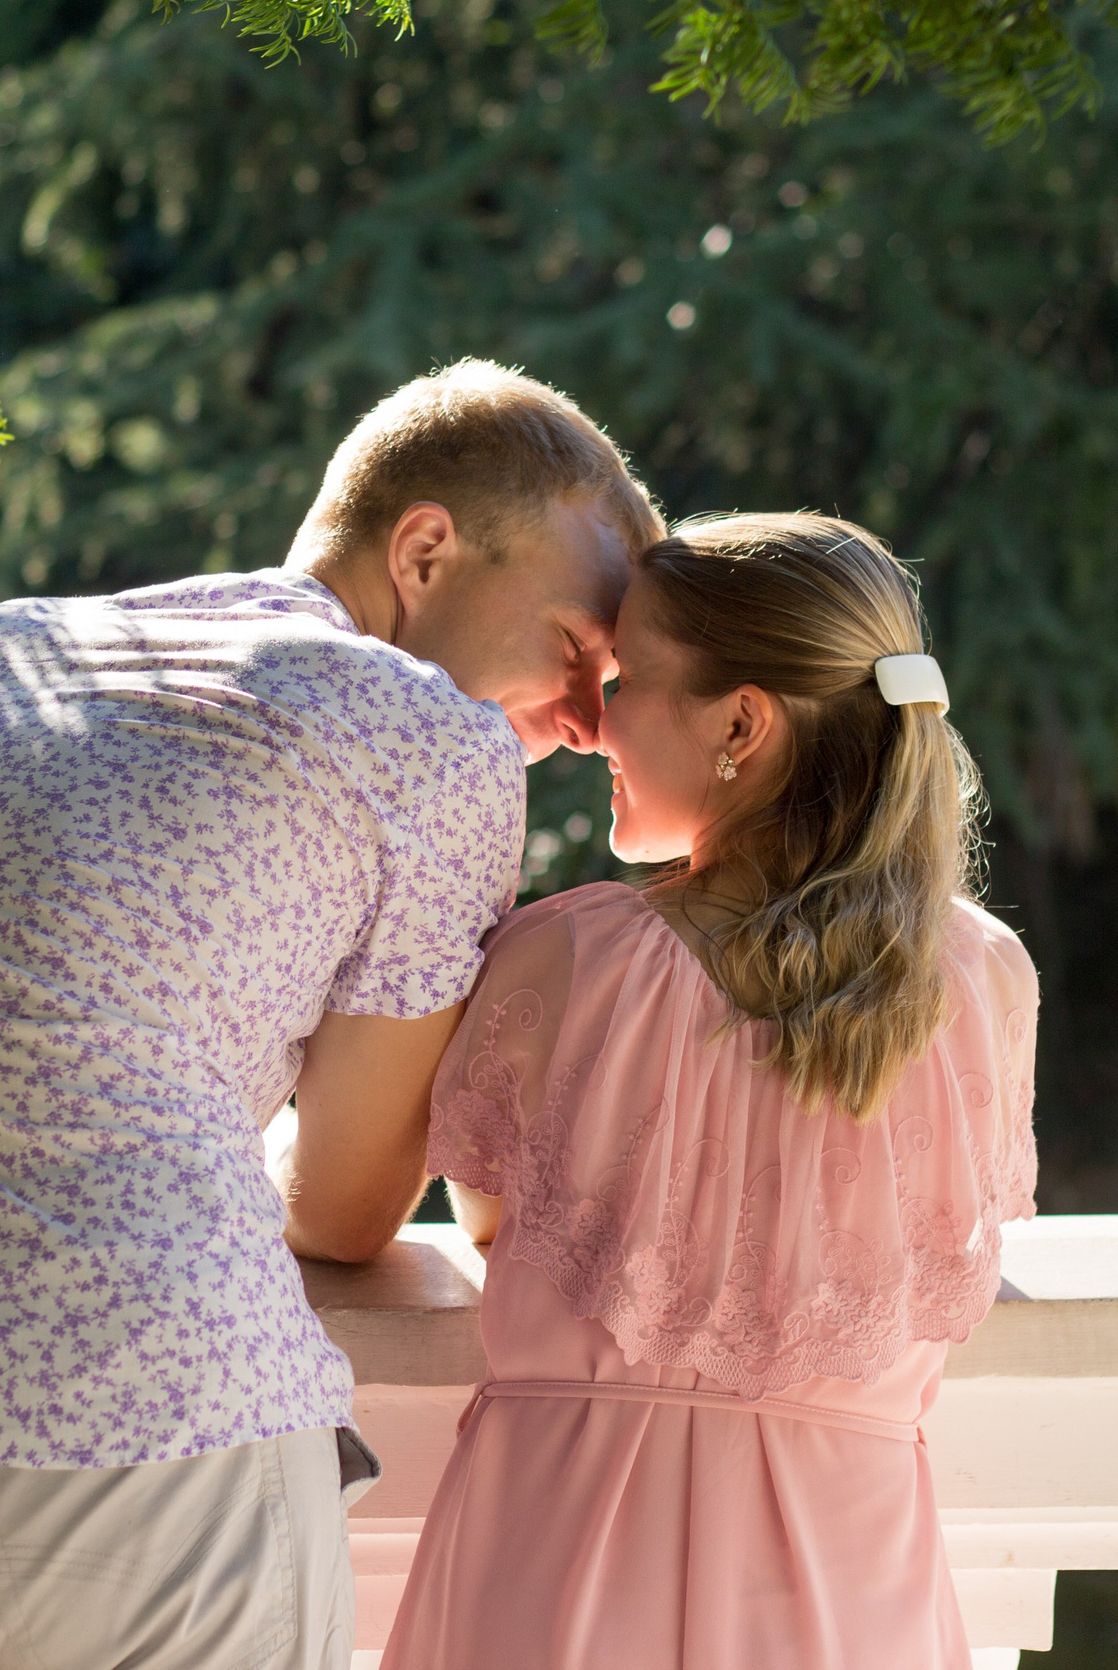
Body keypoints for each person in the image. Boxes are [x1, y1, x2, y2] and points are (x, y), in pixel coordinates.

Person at [0, 359, 659, 1670]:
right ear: (424, 547)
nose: (600, 722)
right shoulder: (432, 734)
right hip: (129, 1420)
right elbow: (349, 1206)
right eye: (580, 647)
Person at [384, 514, 1039, 1670]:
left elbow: (498, 1227)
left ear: (741, 721)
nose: (590, 726)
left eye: (626, 682)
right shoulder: (984, 985)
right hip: (844, 1590)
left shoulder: (567, 960)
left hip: (564, 1562)